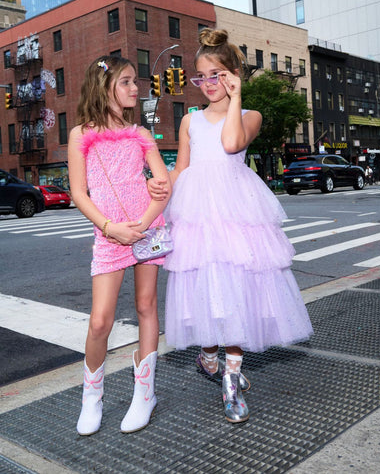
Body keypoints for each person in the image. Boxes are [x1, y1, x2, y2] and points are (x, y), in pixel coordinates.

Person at [148, 29, 313, 423]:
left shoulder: (250, 115)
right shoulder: (189, 121)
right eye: (200, 77)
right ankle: (208, 353)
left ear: (234, 74)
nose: (208, 84)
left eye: (216, 75)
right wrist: (157, 194)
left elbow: (232, 145)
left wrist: (237, 96)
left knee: (238, 288)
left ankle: (232, 380)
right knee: (204, 285)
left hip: (238, 210)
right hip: (197, 213)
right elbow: (182, 168)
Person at [68, 55, 171, 436]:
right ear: (104, 86)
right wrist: (112, 228)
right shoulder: (81, 134)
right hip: (109, 234)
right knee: (100, 321)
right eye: (126, 81)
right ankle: (91, 399)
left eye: (134, 82)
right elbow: (79, 193)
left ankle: (144, 394)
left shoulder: (141, 134)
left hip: (147, 229)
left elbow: (162, 184)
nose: (135, 88)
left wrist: (141, 225)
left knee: (146, 305)